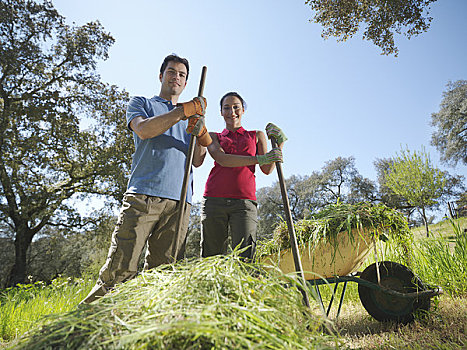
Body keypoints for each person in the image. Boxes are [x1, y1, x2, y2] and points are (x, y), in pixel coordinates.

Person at [81, 54, 211, 303]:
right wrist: (183, 111)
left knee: (163, 276)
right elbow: (144, 130)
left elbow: (197, 159)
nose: (176, 77)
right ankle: (82, 329)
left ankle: (143, 330)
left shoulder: (191, 116)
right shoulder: (142, 103)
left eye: (182, 75)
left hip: (180, 202)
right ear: (161, 76)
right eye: (171, 72)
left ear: (185, 83)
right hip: (144, 195)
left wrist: (200, 129)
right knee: (120, 268)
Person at [200, 92, 287, 260]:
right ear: (221, 112)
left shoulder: (256, 135)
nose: (232, 112)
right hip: (214, 200)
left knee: (246, 257)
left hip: (244, 202)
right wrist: (258, 158)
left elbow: (267, 168)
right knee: (212, 258)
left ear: (243, 110)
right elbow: (222, 159)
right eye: (226, 108)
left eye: (236, 107)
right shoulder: (213, 136)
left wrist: (280, 143)